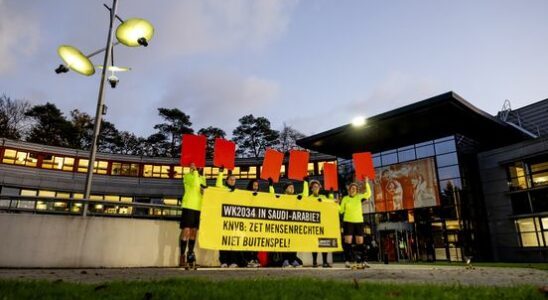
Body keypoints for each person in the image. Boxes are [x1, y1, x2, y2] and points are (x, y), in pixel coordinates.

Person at [339, 179, 372, 268]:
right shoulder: (345, 198)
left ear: (357, 191)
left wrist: (366, 183)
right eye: (351, 188)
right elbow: (341, 210)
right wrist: (335, 204)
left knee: (360, 242)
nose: (353, 189)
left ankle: (363, 261)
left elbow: (368, 194)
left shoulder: (359, 197)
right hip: (348, 221)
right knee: (348, 242)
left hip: (359, 222)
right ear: (349, 190)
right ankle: (347, 260)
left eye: (354, 188)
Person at [179, 163, 206, 268]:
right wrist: (194, 172)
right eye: (195, 166)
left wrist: (204, 191)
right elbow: (195, 184)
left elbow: (203, 190)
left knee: (194, 232)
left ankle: (190, 255)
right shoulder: (187, 176)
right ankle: (182, 257)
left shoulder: (202, 178)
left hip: (198, 207)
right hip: (189, 206)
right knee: (186, 231)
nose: (197, 168)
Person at [216, 167, 244, 268]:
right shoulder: (223, 189)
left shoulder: (237, 192)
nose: (233, 181)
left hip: (234, 220)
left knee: (233, 240)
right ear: (226, 181)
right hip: (224, 219)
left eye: (234, 180)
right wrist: (220, 173)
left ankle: (233, 261)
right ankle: (224, 261)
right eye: (231, 179)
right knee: (224, 240)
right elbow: (218, 185)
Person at [303, 179, 333, 268]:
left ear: (319, 188)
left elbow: (331, 204)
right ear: (311, 189)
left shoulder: (323, 197)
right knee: (314, 243)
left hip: (323, 222)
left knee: (324, 243)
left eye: (317, 187)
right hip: (314, 223)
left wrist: (331, 194)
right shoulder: (309, 198)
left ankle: (324, 262)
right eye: (314, 187)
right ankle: (315, 262)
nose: (316, 188)